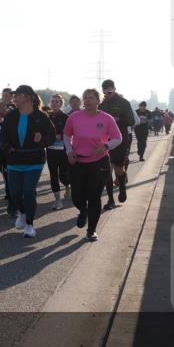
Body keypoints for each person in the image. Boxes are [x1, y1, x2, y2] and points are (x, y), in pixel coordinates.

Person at [65, 89, 122, 241]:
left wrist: (106, 146)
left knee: (94, 197)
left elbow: (118, 138)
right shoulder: (74, 117)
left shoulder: (107, 118)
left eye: (91, 98)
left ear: (98, 101)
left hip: (99, 162)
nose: (87, 100)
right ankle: (83, 211)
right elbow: (66, 135)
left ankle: (91, 230)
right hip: (78, 161)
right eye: (85, 98)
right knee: (77, 196)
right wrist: (69, 152)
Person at [0, 86, 55, 238]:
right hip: (14, 159)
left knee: (29, 192)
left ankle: (30, 224)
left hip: (34, 159)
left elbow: (51, 138)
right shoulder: (11, 116)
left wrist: (41, 140)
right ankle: (22, 213)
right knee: (15, 193)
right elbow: (3, 135)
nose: (14, 98)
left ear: (28, 97)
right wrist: (7, 147)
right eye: (14, 95)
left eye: (17, 95)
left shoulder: (42, 117)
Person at [100, 79, 136, 210]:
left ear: (114, 89)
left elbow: (132, 121)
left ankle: (122, 186)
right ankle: (110, 200)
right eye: (105, 92)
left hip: (120, 139)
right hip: (105, 140)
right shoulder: (102, 104)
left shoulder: (123, 103)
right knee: (107, 171)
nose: (107, 94)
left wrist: (117, 119)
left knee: (119, 169)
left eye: (109, 92)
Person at [45, 94, 71, 210]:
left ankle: (67, 186)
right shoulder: (47, 117)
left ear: (61, 104)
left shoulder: (66, 117)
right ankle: (58, 200)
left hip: (63, 150)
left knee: (63, 175)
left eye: (57, 101)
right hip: (51, 151)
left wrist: (60, 135)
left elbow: (69, 133)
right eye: (53, 101)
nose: (55, 103)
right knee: (53, 175)